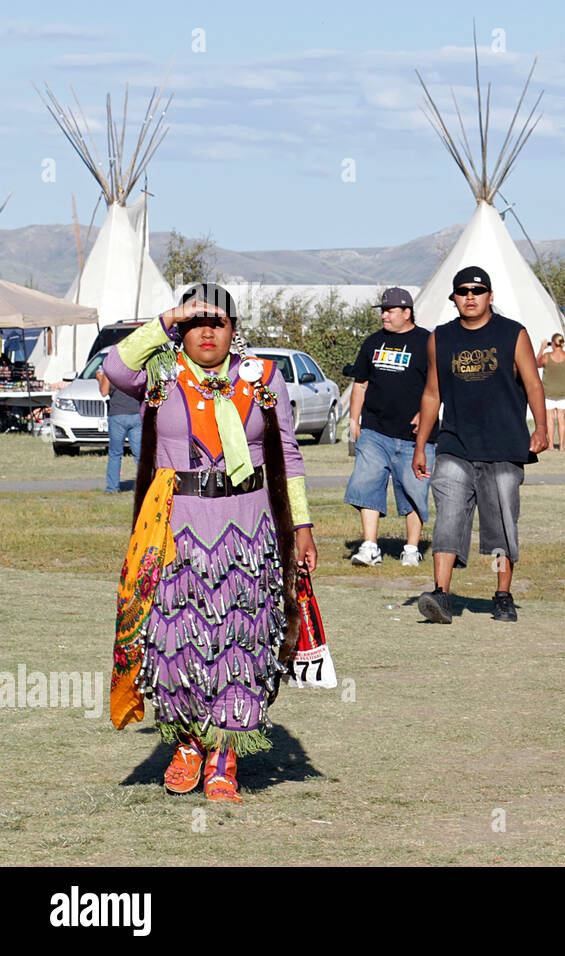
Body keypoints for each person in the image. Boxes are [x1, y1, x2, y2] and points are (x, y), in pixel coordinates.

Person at [103, 283, 317, 803]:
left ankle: (225, 757)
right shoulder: (161, 374)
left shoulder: (262, 379)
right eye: (195, 322)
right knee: (177, 643)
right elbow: (113, 367)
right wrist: (167, 318)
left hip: (248, 529)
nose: (205, 331)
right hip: (176, 532)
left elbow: (285, 452)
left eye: (216, 322)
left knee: (240, 643)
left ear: (233, 330)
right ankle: (188, 745)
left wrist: (303, 527)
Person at [412, 266, 549, 624]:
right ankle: (441, 595)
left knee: (502, 522)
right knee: (448, 518)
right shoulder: (439, 338)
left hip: (504, 445)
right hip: (455, 445)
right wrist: (420, 445)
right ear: (454, 298)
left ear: (490, 296)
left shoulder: (512, 334)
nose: (470, 296)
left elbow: (534, 383)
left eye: (477, 290)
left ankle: (503, 596)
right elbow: (431, 394)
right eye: (462, 291)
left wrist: (542, 426)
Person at [344, 287, 433, 567]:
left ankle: (411, 549)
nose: (384, 315)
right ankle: (370, 547)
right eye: (382, 310)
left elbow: (439, 386)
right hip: (375, 431)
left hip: (415, 436)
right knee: (366, 483)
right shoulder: (373, 342)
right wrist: (354, 420)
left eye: (390, 310)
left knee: (414, 490)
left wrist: (425, 413)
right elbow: (360, 383)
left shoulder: (427, 342)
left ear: (407, 312)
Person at [96, 367, 143, 493]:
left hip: (117, 414)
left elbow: (104, 392)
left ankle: (112, 488)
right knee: (139, 454)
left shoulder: (112, 369)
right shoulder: (137, 368)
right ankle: (144, 486)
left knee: (115, 453)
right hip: (136, 413)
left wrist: (100, 378)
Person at [537, 332, 565, 451]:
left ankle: (551, 444)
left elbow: (536, 363)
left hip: (548, 391)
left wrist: (541, 349)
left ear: (552, 343)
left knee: (550, 418)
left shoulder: (547, 356)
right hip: (564, 391)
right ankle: (561, 445)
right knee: (562, 418)